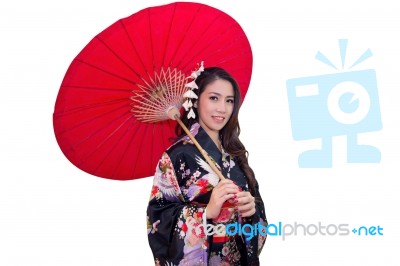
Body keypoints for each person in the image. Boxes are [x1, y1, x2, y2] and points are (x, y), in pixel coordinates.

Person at [147, 66, 267, 266]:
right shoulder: (177, 156)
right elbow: (158, 219)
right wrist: (206, 212)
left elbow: (258, 215)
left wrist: (251, 209)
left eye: (229, 100)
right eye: (214, 98)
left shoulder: (235, 152)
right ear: (196, 100)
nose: (222, 108)